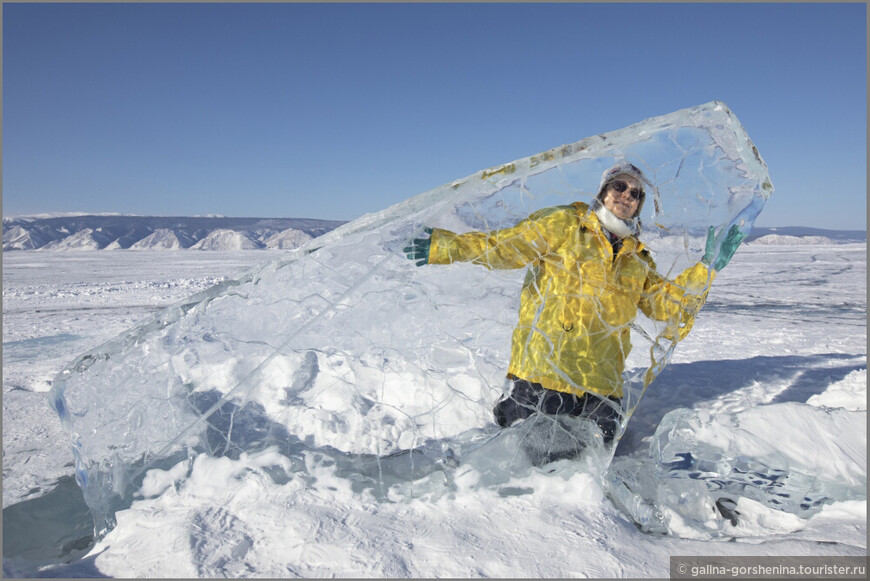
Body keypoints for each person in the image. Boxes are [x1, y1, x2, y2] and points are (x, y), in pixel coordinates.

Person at [405, 162, 744, 447]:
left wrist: (707, 268)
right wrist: (444, 246)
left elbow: (665, 306)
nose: (626, 196)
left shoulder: (636, 257)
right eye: (619, 187)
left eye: (635, 193)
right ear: (602, 191)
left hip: (600, 392)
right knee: (528, 471)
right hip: (544, 377)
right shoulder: (566, 224)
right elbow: (505, 247)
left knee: (582, 482)